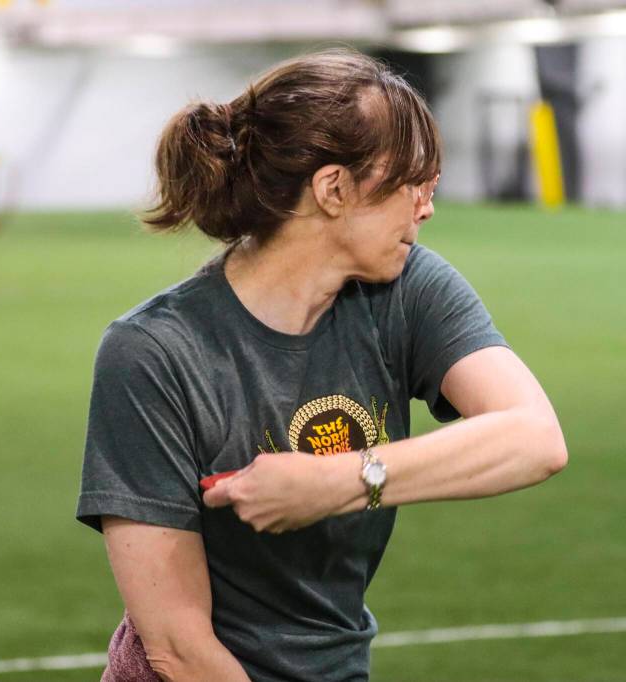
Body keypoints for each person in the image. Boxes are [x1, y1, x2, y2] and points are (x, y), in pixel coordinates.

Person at [75, 47, 568, 682]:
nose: (427, 207)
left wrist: (337, 482)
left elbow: (536, 438)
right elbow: (176, 646)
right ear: (333, 188)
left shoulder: (408, 287)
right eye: (412, 185)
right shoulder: (153, 352)